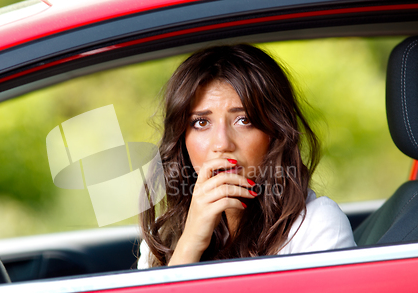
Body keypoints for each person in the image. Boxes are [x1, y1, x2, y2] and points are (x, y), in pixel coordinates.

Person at [137, 44, 355, 269]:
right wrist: (190, 244)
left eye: (244, 120)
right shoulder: (162, 237)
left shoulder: (316, 224)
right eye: (201, 123)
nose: (222, 144)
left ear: (275, 132)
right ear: (182, 138)